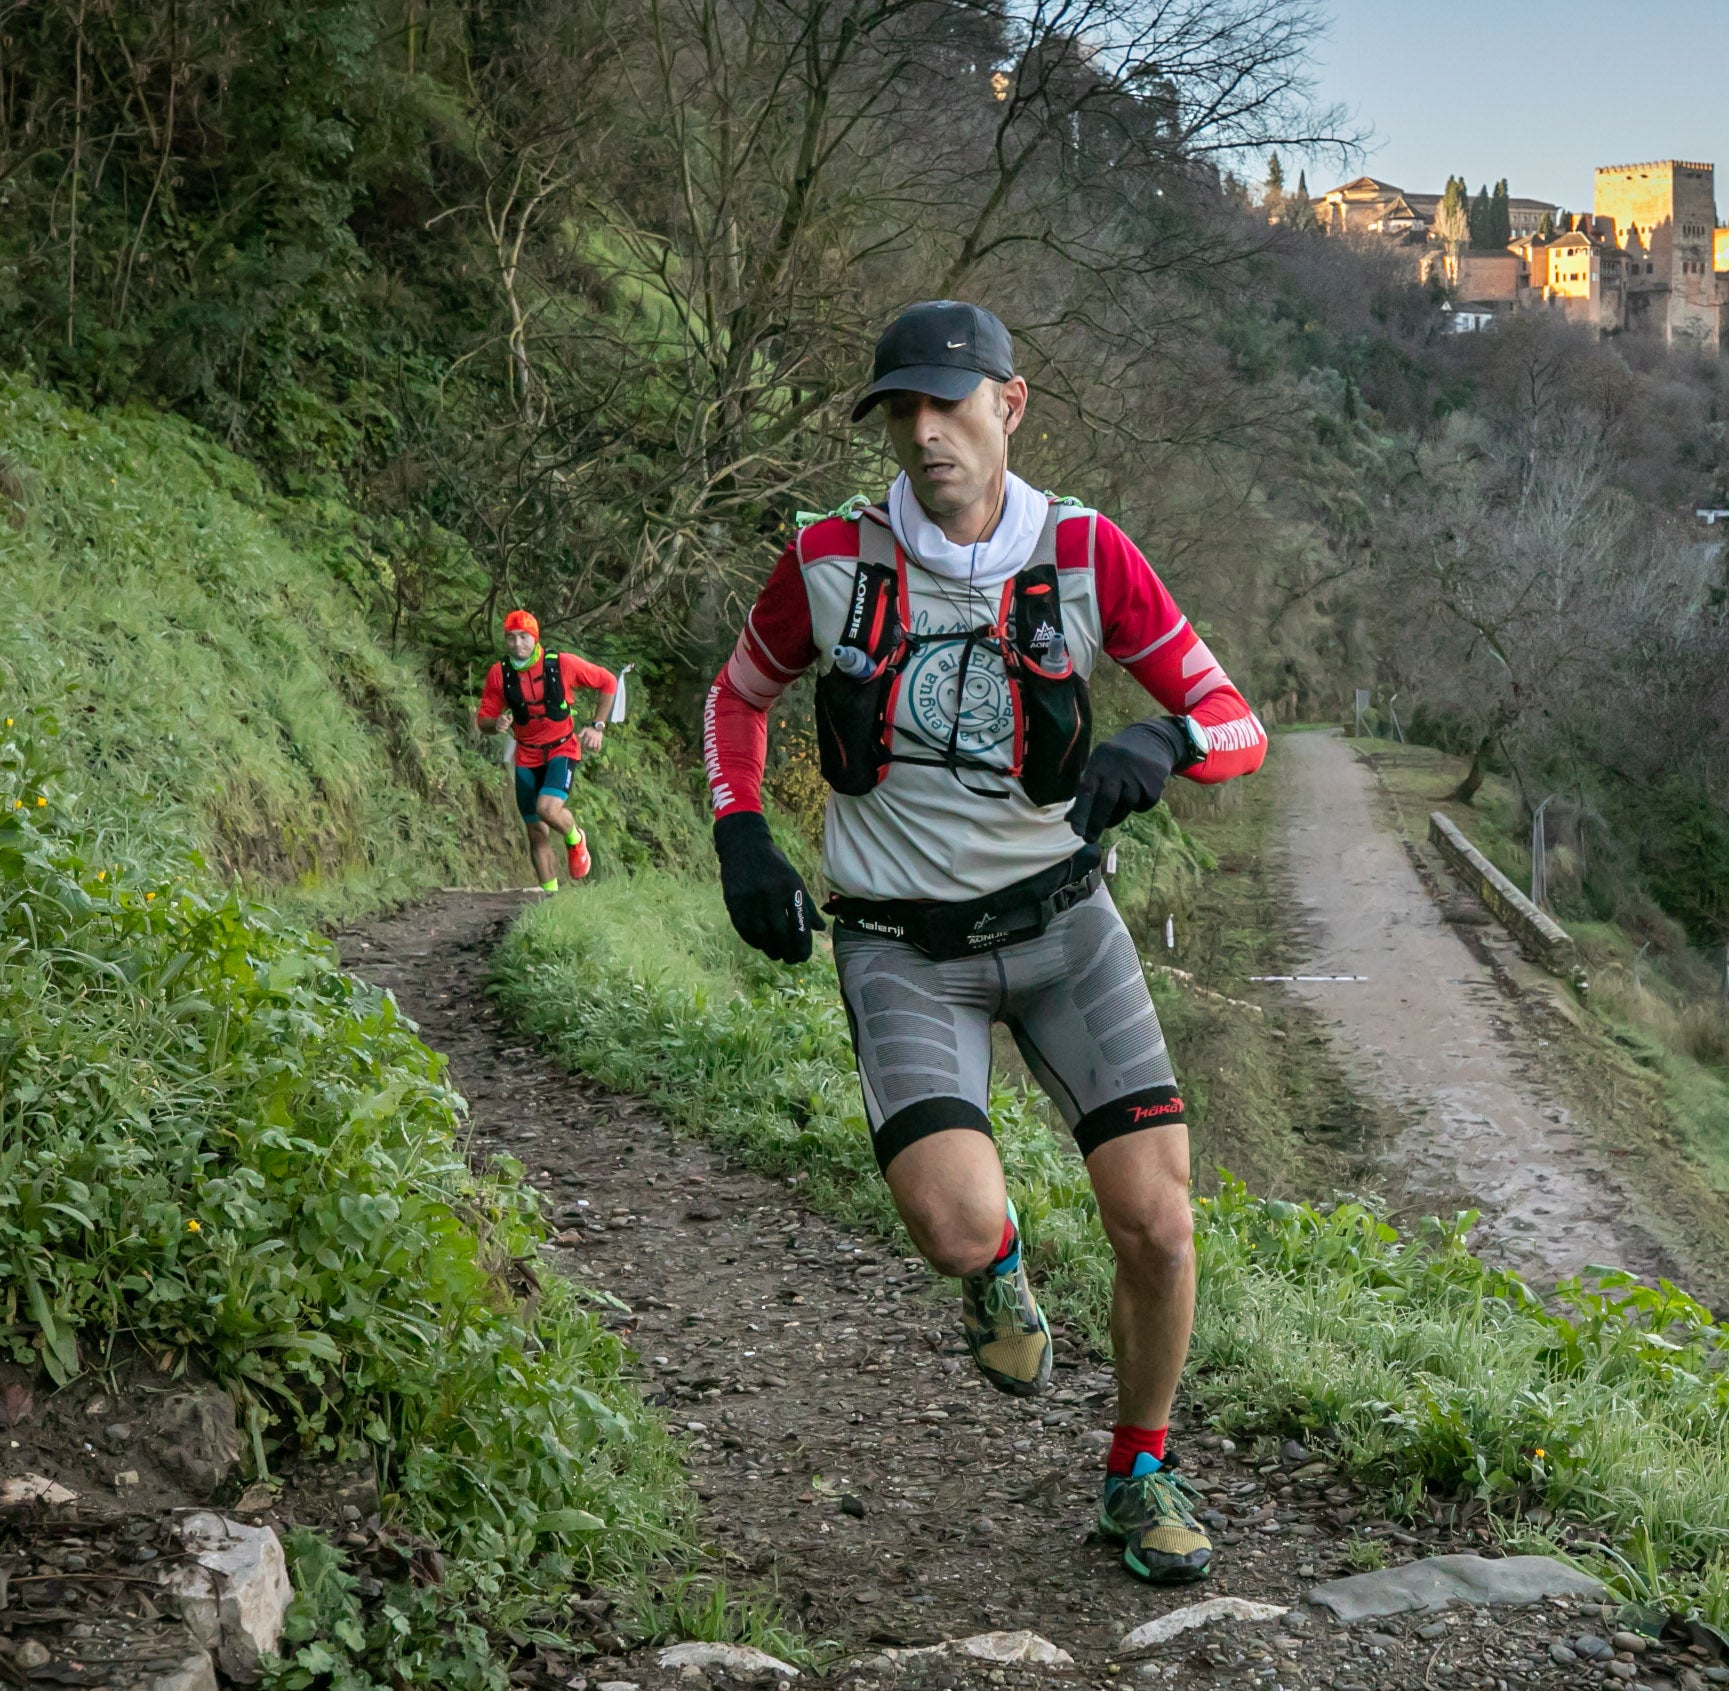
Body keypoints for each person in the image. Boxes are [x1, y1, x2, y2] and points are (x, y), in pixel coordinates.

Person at [702, 300, 1267, 1585]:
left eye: (947, 406)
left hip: (1066, 928)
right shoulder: (829, 561)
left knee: (1158, 1224)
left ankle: (1138, 1469)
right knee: (955, 1226)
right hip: (901, 942)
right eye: (899, 410)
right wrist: (743, 834)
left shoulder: (1082, 552)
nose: (921, 433)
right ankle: (998, 1270)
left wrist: (1161, 739)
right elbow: (738, 696)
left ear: (1008, 406)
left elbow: (1234, 719)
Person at [476, 610, 617, 892]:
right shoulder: (499, 674)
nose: (518, 644)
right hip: (526, 755)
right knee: (536, 832)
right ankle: (549, 898)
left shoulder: (561, 663)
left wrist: (597, 726)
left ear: (535, 637)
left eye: (524, 637)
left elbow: (608, 682)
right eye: (511, 638)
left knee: (548, 809)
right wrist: (497, 723)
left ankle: (575, 839)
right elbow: (484, 721)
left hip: (561, 749)